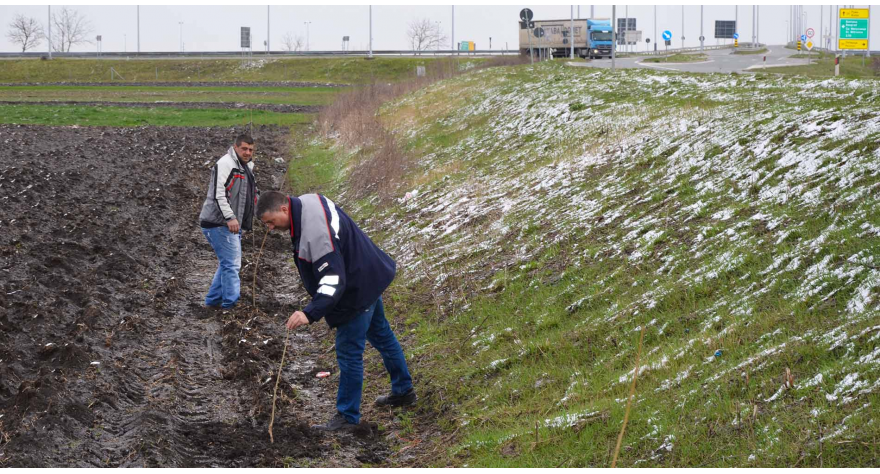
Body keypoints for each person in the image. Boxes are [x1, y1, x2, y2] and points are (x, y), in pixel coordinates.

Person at [256, 190, 416, 431]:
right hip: (368, 273)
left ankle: (348, 416)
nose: (270, 228)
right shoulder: (307, 201)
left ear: (284, 209)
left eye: (271, 222)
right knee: (382, 335)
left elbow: (333, 279)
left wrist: (309, 313)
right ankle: (403, 391)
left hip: (355, 289)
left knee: (349, 352)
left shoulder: (315, 232)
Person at [198, 134, 258, 309]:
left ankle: (213, 300)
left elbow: (250, 194)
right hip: (219, 223)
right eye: (244, 148)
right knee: (231, 264)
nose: (248, 152)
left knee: (228, 263)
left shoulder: (246, 167)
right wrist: (230, 217)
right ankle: (230, 305)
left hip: (232, 224)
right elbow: (218, 194)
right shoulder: (226, 164)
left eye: (251, 149)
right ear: (235, 147)